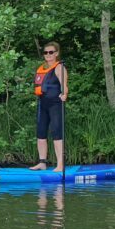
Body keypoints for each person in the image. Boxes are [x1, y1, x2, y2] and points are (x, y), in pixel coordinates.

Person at [30, 42, 68, 172]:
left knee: (57, 133)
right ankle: (42, 162)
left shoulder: (59, 68)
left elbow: (64, 85)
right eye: (46, 52)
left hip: (55, 104)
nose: (48, 55)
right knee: (41, 134)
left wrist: (64, 94)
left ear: (56, 53)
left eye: (51, 52)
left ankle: (60, 164)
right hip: (43, 104)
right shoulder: (42, 68)